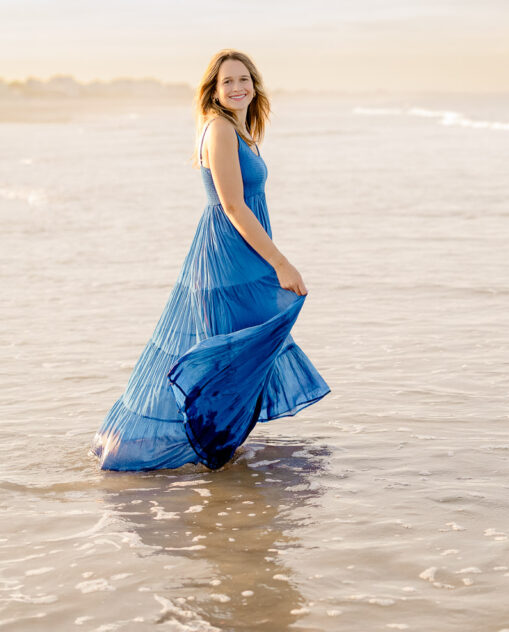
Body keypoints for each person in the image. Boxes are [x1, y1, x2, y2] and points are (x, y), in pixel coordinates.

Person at [90, 49, 330, 471]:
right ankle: (183, 454)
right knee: (230, 352)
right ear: (214, 91)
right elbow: (234, 207)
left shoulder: (238, 130)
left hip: (238, 257)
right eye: (228, 81)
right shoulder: (219, 129)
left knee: (237, 353)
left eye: (244, 79)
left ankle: (216, 454)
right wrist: (282, 263)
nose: (238, 87)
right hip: (227, 262)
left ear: (255, 84)